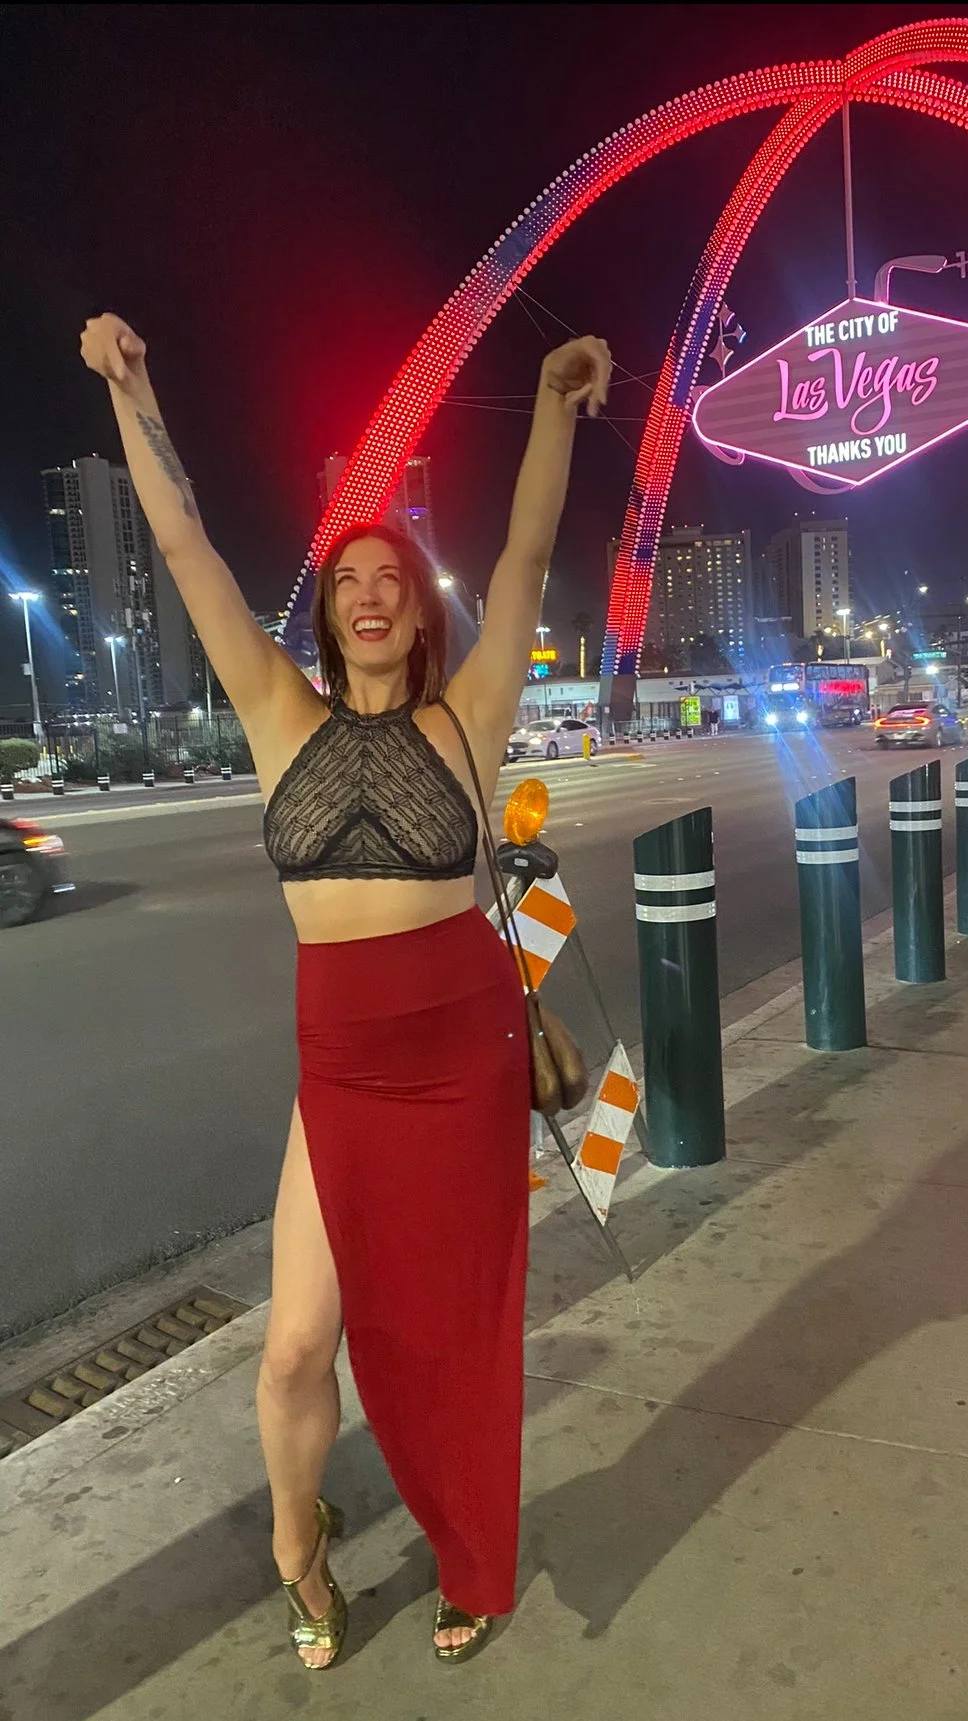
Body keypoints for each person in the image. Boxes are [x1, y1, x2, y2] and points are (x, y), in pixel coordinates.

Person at [80, 313, 611, 1670]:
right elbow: (190, 550)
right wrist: (136, 390)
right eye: (348, 580)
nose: (371, 593)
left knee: (451, 1335)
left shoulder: (468, 719)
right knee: (296, 1350)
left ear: (417, 609)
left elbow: (530, 553)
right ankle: (295, 1543)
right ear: (322, 614)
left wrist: (553, 410)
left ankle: (469, 1558)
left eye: (392, 577)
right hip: (347, 1071)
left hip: (464, 1054)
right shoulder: (276, 716)